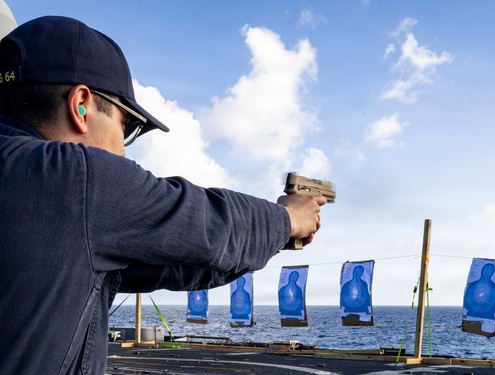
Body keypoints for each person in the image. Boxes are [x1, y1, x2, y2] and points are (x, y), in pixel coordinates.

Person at [0, 16, 327, 375]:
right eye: (127, 128)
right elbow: (210, 225)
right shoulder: (74, 176)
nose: (124, 153)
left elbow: (179, 260)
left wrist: (275, 237)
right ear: (81, 106)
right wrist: (289, 218)